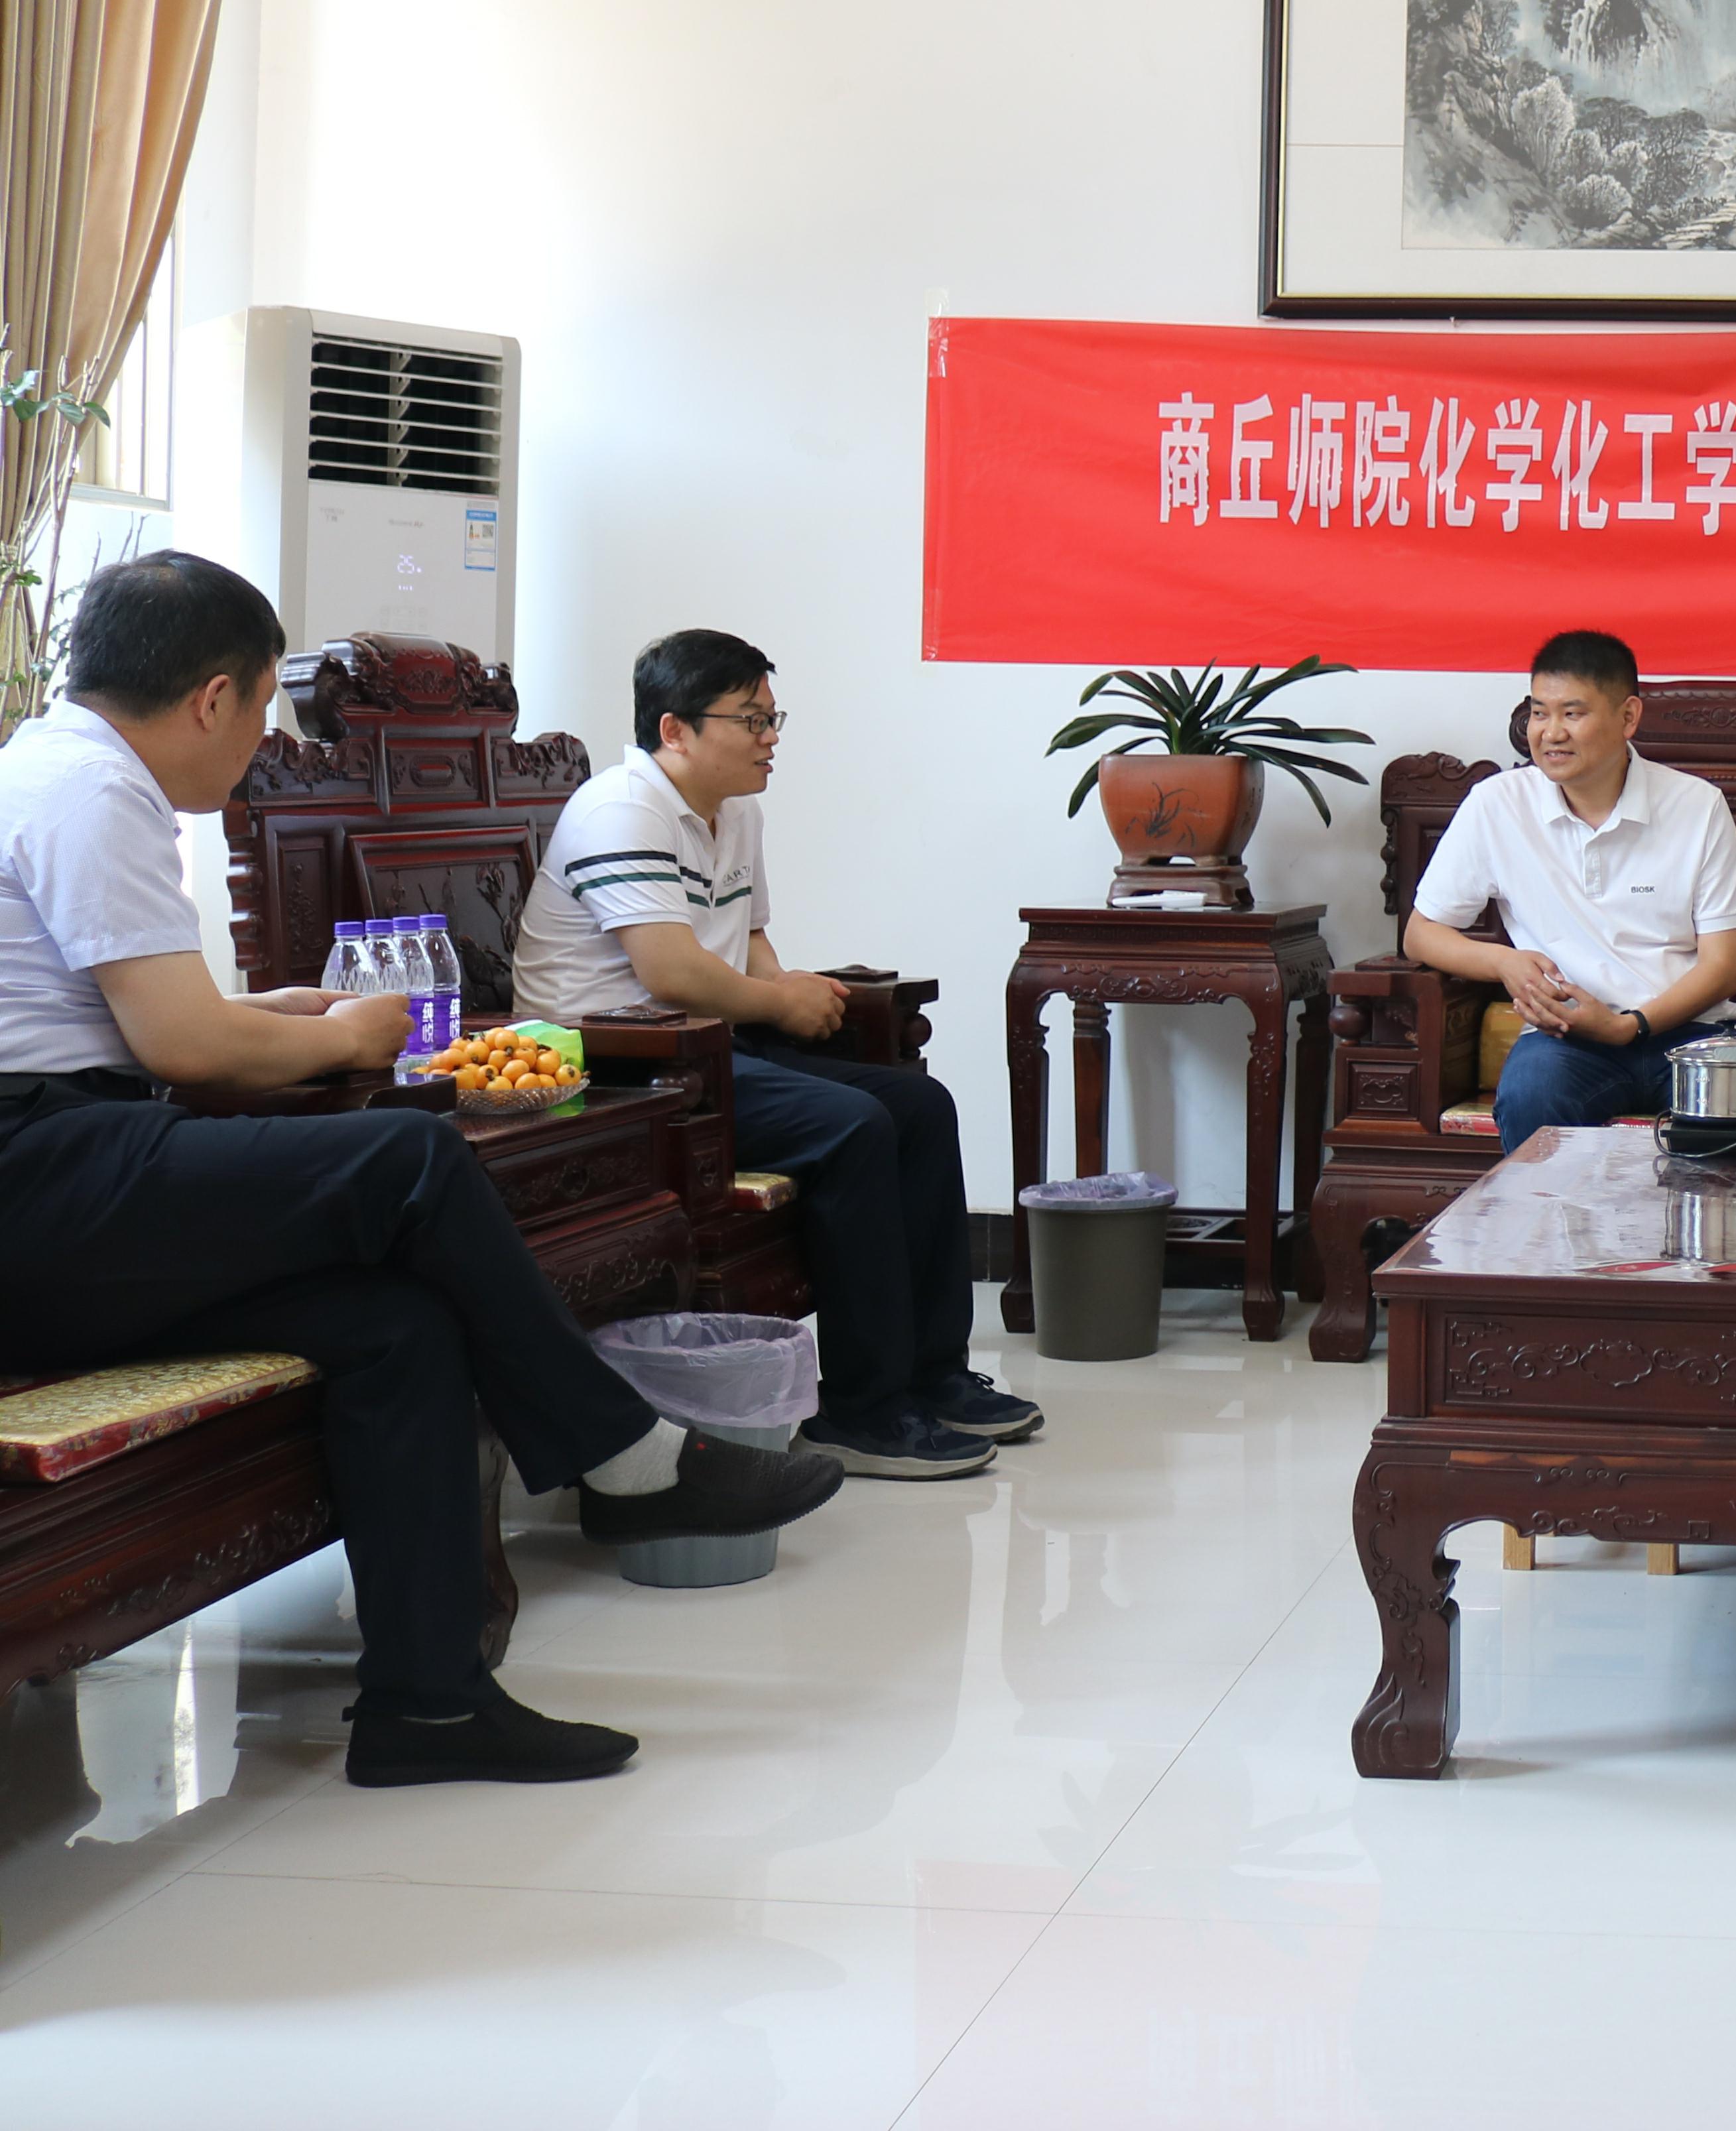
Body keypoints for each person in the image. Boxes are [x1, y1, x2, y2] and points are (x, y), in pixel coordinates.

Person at [0, 554, 841, 1786]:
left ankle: (430, 1705)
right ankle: (623, 1454)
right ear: (214, 698)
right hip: (40, 1179)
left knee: (398, 1327)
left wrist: (273, 1012)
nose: (255, 750)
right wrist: (344, 1037)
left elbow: (127, 1022)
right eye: (261, 716)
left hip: (71, 1175)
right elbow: (182, 1051)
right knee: (407, 1153)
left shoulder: (51, 766)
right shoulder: (94, 791)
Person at [512, 629, 1021, 1481]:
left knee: (920, 1106)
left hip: (705, 1050)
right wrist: (782, 1002)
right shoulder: (622, 810)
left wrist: (792, 993)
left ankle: (933, 1375)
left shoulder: (736, 810)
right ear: (674, 729)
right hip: (618, 1071)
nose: (770, 737)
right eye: (750, 720)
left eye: (773, 718)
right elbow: (670, 970)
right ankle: (860, 1410)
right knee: (853, 1125)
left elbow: (746, 944)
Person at [1402, 630, 1736, 1152]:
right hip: (1566, 1039)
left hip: (1689, 1033)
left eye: (1572, 713)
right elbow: (1422, 933)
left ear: (1628, 716)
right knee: (1532, 1094)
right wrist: (1503, 963)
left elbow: (1723, 966)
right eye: (1539, 713)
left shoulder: (1696, 806)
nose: (1551, 733)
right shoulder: (1498, 804)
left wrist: (1629, 1026)